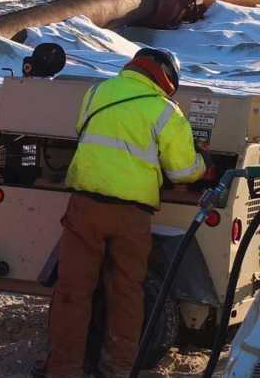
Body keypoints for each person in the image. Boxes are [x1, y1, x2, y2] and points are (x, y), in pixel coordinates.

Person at [42, 48, 205, 378]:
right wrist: (203, 162)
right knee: (127, 293)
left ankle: (63, 370)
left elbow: (85, 134)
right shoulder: (165, 110)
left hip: (84, 206)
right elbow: (184, 171)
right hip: (131, 214)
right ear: (166, 76)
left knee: (73, 292)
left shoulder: (97, 92)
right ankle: (117, 369)